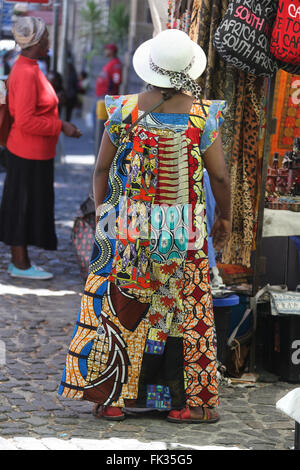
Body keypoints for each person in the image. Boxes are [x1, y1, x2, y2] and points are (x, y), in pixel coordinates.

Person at [59, 29, 231, 424]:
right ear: (188, 70)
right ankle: (188, 403)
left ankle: (116, 398)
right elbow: (219, 177)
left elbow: (102, 168)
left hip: (132, 225)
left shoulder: (123, 110)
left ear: (151, 69)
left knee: (123, 307)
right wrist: (224, 216)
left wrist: (106, 215)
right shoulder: (203, 115)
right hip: (184, 228)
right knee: (185, 311)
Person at [0, 16, 81, 280]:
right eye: (45, 35)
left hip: (35, 152)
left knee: (29, 205)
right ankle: (19, 264)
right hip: (26, 151)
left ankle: (22, 261)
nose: (49, 39)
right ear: (36, 41)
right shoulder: (24, 71)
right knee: (20, 206)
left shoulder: (31, 67)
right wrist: (61, 126)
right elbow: (24, 120)